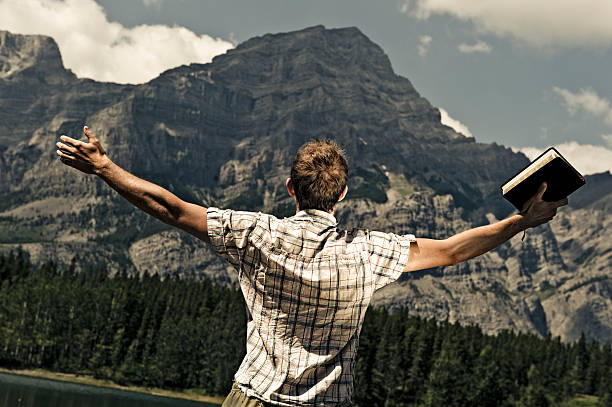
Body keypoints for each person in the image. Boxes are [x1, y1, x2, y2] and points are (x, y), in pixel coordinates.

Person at [57, 126, 568, 406]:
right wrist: (521, 222)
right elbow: (456, 248)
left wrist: (104, 167)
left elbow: (168, 207)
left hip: (253, 400)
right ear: (343, 194)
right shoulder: (368, 253)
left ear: (289, 190)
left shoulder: (257, 234)